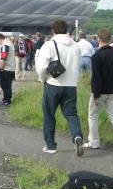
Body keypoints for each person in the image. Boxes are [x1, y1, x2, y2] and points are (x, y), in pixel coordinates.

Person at [35, 19, 84, 156]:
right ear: (67, 30)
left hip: (53, 84)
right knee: (71, 114)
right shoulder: (75, 45)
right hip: (71, 85)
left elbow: (41, 66)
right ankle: (77, 137)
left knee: (49, 115)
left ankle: (51, 145)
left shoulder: (50, 44)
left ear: (53, 30)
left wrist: (42, 78)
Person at [84, 28, 113, 152]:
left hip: (100, 91)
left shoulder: (96, 56)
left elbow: (96, 77)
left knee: (93, 115)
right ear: (110, 39)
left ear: (99, 39)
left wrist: (96, 94)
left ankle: (94, 141)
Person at [0, 33, 16, 105]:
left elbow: (4, 57)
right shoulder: (10, 43)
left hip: (6, 69)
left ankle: (7, 100)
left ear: (0, 39)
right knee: (8, 85)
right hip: (10, 68)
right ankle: (6, 99)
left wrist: (0, 67)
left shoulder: (5, 45)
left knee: (5, 86)